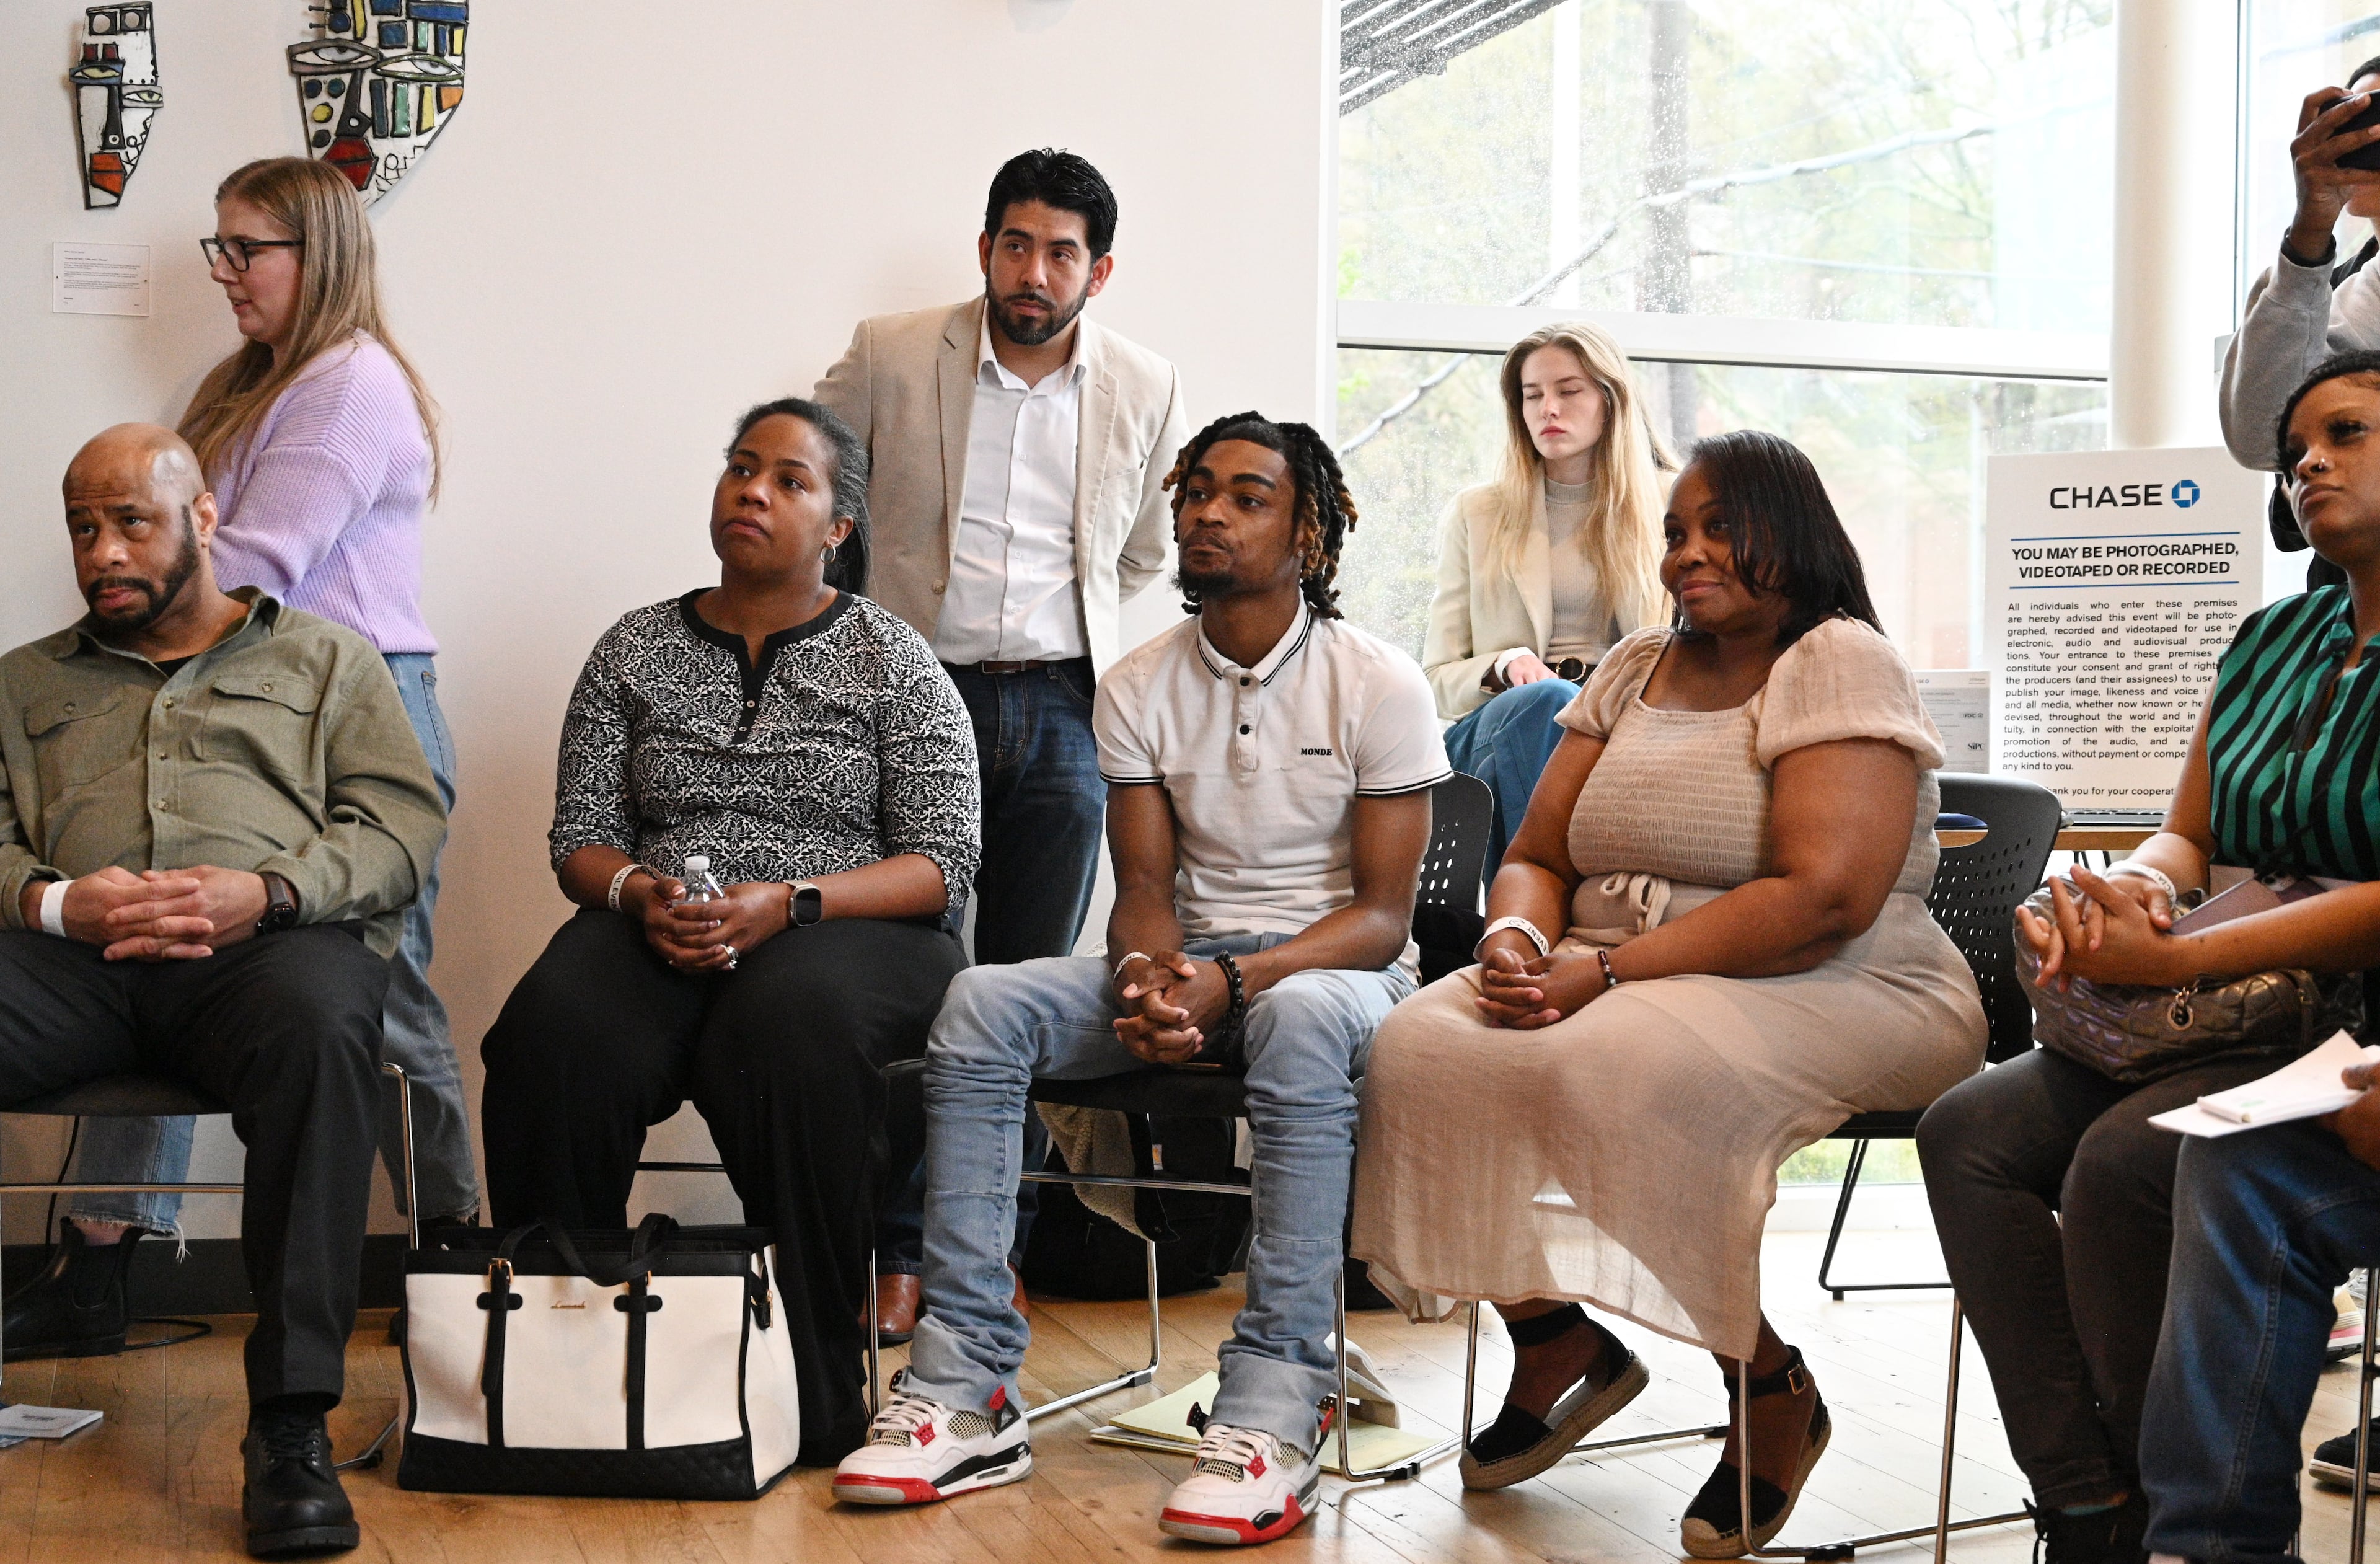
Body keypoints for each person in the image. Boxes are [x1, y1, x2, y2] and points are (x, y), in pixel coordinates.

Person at [1351, 430, 1985, 1558]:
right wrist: (1513, 935)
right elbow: (1539, 851)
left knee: (1615, 1066)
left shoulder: (1838, 658)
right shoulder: (1635, 664)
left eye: (1719, 528)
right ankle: (1554, 1338)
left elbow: (1826, 898)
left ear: (1791, 532)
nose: (1687, 552)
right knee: (1417, 1048)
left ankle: (1769, 1382)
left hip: (1841, 976)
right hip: (1605, 963)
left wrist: (1600, 971)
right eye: (1677, 531)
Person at [832, 413, 1448, 1546]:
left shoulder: (1380, 681)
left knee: (1300, 1014)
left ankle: (1281, 1394)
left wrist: (1233, 978)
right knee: (982, 1001)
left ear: (1308, 533)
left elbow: (1380, 920)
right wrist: (1142, 978)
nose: (1210, 512)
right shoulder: (1137, 681)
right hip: (1195, 965)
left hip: (1336, 976)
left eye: (1249, 497)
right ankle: (969, 1385)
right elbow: (1148, 886)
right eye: (1197, 491)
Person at [3, 156, 475, 1363]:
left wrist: (110, 636)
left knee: (388, 1007)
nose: (224, 270)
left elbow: (254, 561)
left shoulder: (349, 385)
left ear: (319, 254)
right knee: (151, 933)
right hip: (209, 703)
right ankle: (100, 1258)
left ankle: (458, 1261)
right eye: (218, 246)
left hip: (344, 705)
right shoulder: (245, 384)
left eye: (245, 247)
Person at [477, 399, 979, 1467]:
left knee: (790, 1028)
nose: (753, 490)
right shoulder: (634, 647)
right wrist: (639, 895)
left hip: (847, 924)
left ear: (838, 524)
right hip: (663, 916)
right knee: (553, 1032)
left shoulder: (895, 659)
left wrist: (791, 899)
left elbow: (942, 863)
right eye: (742, 467)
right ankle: (558, 1369)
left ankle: (813, 1384)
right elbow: (580, 840)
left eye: (790, 479)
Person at [0, 425, 445, 1558]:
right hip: (75, 960)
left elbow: (401, 825)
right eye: (83, 527)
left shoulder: (327, 660)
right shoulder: (24, 680)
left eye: (131, 522)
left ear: (203, 519)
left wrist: (274, 891)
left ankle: (290, 1426)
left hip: (265, 955)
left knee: (324, 1027)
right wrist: (57, 901)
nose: (104, 551)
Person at [1970, 352, 2380, 1564]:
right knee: (1969, 1132)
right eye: (2296, 449)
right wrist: (2125, 897)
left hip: (2325, 1015)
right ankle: (2089, 1498)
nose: (2309, 462)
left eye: (2348, 433)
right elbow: (2187, 834)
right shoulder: (2270, 638)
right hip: (2230, 1002)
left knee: (2124, 1160)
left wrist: (2175, 963)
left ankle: (2184, 1527)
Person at [812, 147, 1190, 1337]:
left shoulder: (1146, 383)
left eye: (1062, 253)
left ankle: (992, 1249)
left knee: (1025, 987)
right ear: (986, 249)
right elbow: (818, 495)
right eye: (1017, 245)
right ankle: (896, 1248)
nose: (1036, 272)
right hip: (914, 699)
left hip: (1068, 709)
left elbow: (1143, 548)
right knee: (910, 980)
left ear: (1099, 271)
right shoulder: (889, 352)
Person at [1425, 322, 1670, 880]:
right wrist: (1502, 665)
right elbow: (1436, 679)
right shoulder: (1478, 513)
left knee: (1588, 725)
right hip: (1500, 727)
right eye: (1532, 395)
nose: (1548, 409)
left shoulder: (1672, 502)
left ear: (1611, 399)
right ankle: (1542, 895)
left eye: (1568, 390)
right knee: (1551, 703)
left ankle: (1532, 905)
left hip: (1620, 723)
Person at [2224, 56, 2380, 593]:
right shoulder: (2313, 284)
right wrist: (2310, 227)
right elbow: (2261, 437)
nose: (2368, 138)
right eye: (2350, 121)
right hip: (2350, 598)